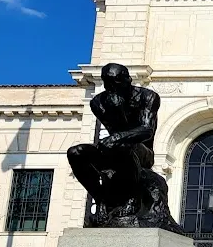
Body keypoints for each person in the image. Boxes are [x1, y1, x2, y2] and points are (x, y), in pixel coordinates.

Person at [67, 63, 161, 215]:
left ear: (128, 80)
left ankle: (132, 199)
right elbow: (114, 128)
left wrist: (119, 135)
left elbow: (147, 130)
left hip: (142, 153)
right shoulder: (97, 102)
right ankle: (100, 198)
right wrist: (115, 109)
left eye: (115, 82)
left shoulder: (148, 97)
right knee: (75, 152)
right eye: (107, 82)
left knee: (124, 145)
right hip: (112, 150)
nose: (111, 87)